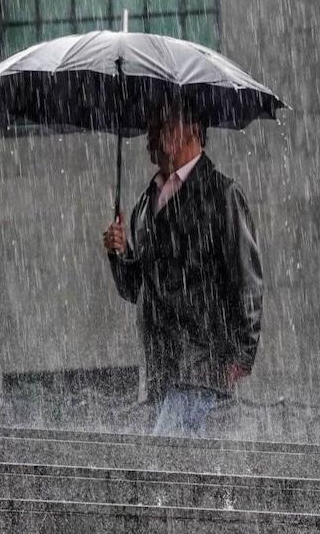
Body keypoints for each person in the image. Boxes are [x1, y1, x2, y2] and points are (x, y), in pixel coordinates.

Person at [101, 98, 264, 437]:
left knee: (162, 462)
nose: (154, 135)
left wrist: (241, 355)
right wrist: (120, 253)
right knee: (177, 474)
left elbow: (246, 278)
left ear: (193, 128)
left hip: (201, 365)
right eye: (151, 126)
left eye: (165, 124)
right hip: (161, 369)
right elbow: (137, 288)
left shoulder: (221, 193)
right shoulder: (146, 204)